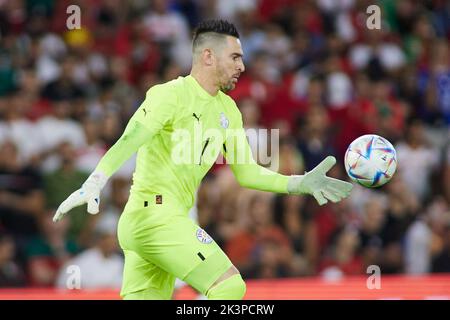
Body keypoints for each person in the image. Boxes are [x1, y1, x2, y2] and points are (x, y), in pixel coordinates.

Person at [52, 19, 352, 300]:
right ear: (208, 56)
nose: (242, 66)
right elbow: (131, 138)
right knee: (230, 285)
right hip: (155, 216)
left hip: (155, 222)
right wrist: (95, 180)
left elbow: (247, 173)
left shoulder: (229, 111)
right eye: (235, 57)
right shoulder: (169, 94)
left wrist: (299, 183)